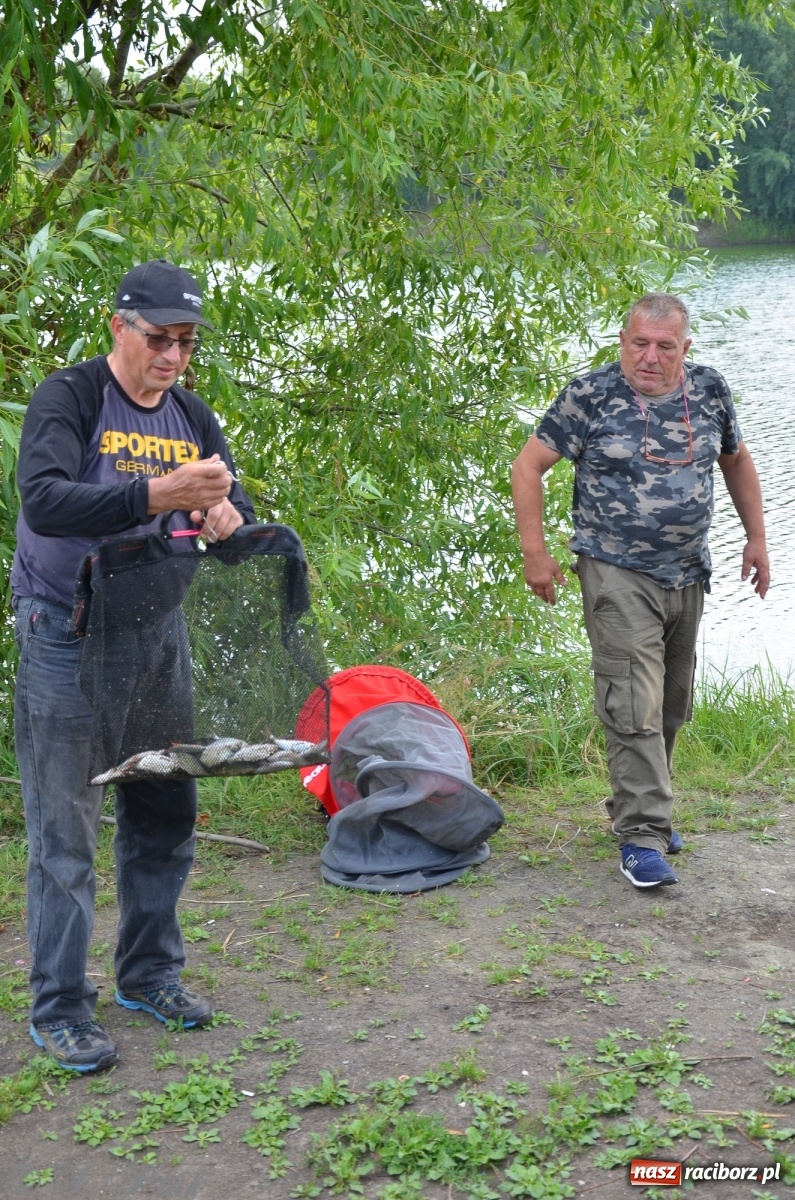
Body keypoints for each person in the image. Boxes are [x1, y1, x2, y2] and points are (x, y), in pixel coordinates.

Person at [11, 259, 256, 1071]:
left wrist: (227, 515)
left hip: (157, 638)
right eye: (159, 339)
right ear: (119, 326)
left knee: (162, 812)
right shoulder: (70, 397)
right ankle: (60, 1006)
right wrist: (157, 494)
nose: (173, 356)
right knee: (65, 834)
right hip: (68, 633)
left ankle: (149, 974)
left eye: (186, 342)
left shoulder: (192, 415)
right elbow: (45, 499)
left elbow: (231, 506)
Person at [511, 293, 769, 890]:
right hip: (614, 569)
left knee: (670, 702)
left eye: (664, 346)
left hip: (687, 571)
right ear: (623, 341)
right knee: (632, 700)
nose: (649, 357)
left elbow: (735, 460)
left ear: (685, 348)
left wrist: (757, 538)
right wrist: (535, 553)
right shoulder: (589, 395)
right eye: (639, 344)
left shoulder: (709, 388)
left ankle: (642, 807)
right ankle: (642, 836)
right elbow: (528, 467)